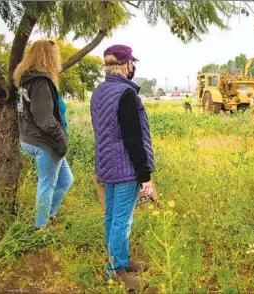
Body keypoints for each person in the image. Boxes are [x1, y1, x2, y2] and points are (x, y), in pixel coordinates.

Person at [90, 44, 155, 290]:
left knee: (112, 215)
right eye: (132, 64)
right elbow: (132, 138)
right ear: (128, 64)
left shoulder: (99, 91)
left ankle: (121, 260)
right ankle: (115, 271)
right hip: (125, 167)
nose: (133, 68)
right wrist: (145, 174)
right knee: (122, 220)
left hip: (106, 164)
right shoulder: (126, 94)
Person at [13, 40, 73, 229]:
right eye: (55, 55)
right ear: (49, 57)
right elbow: (44, 119)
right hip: (44, 141)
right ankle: (40, 228)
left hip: (32, 138)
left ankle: (49, 215)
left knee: (65, 180)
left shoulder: (25, 79)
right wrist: (61, 141)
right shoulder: (39, 82)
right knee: (47, 185)